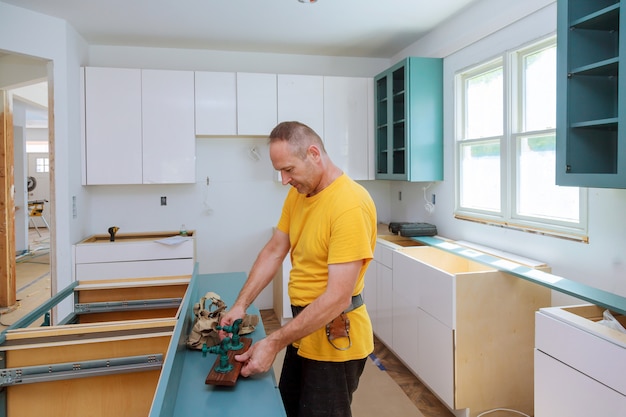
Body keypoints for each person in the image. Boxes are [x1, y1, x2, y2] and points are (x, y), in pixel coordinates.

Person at [219, 121, 377, 417]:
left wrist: (274, 342)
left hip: (334, 336)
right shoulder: (298, 194)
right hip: (303, 330)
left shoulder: (349, 205)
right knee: (290, 409)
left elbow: (337, 298)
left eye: (288, 170)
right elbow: (275, 250)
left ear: (314, 154)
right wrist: (241, 305)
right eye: (279, 171)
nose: (283, 180)